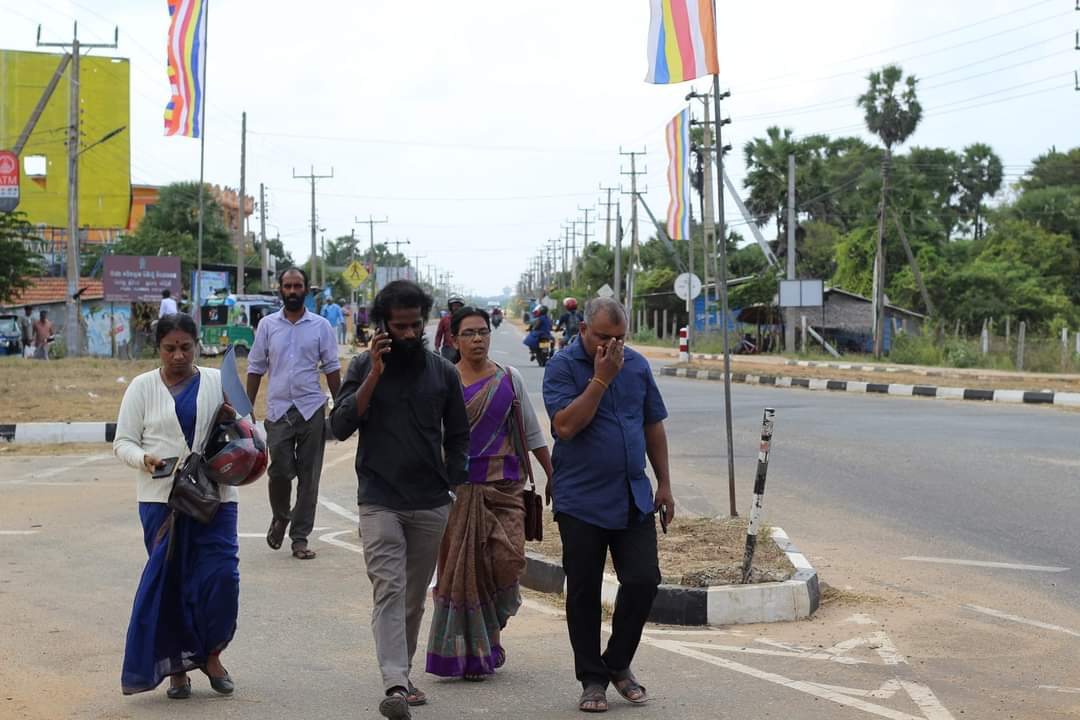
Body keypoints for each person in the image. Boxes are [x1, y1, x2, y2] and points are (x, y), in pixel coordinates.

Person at [330, 280, 469, 720]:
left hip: (430, 501)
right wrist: (374, 373)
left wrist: (451, 486)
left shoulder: (443, 372)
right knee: (389, 589)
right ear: (382, 326)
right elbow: (340, 426)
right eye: (400, 327)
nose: (409, 334)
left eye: (415, 325)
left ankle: (402, 676)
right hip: (379, 499)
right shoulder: (361, 366)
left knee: (412, 598)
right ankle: (394, 683)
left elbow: (459, 437)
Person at [542, 297, 675, 713]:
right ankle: (592, 680)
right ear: (583, 330)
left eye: (619, 338)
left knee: (643, 579)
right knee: (583, 590)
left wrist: (664, 483)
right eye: (603, 337)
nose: (613, 346)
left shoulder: (637, 365)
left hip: (633, 495)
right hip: (581, 498)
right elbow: (565, 426)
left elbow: (652, 424)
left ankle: (617, 663)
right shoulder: (562, 367)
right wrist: (600, 379)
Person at [112, 313, 239, 699]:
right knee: (172, 584)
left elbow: (248, 431)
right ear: (158, 349)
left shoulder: (218, 381)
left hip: (215, 498)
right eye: (170, 348)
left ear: (197, 346)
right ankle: (176, 671)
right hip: (161, 501)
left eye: (186, 347)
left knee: (221, 579)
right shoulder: (142, 387)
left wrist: (233, 421)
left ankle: (212, 656)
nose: (179, 356)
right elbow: (123, 442)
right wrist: (144, 459)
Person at [425, 306, 553, 682]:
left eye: (483, 331)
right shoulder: (443, 384)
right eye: (469, 333)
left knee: (508, 561)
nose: (478, 339)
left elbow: (531, 432)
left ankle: (490, 634)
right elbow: (431, 440)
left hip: (506, 488)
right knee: (466, 572)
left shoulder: (509, 379)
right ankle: (484, 648)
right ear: (454, 339)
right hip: (458, 492)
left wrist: (552, 474)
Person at [247, 267, 342, 560]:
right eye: (287, 286)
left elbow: (331, 368)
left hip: (311, 409)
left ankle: (300, 537)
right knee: (279, 471)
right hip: (278, 410)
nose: (291, 291)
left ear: (306, 290)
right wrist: (245, 409)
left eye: (297, 286)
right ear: (280, 289)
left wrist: (341, 406)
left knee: (308, 477)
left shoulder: (321, 326)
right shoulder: (267, 325)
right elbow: (255, 367)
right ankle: (280, 516)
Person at [434, 295, 465, 363]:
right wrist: (437, 348)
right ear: (450, 307)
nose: (457, 308)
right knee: (447, 367)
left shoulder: (465, 320)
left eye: (459, 306)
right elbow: (439, 335)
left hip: (462, 348)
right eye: (454, 306)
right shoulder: (444, 320)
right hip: (448, 349)